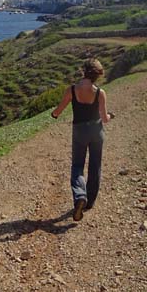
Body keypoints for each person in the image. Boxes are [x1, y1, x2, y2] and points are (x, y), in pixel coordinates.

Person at [51, 58, 113, 221]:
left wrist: (54, 114)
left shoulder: (71, 90)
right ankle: (89, 202)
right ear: (97, 75)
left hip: (79, 131)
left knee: (77, 165)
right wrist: (110, 116)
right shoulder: (100, 93)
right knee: (95, 165)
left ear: (83, 71)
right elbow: (104, 118)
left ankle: (80, 196)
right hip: (96, 131)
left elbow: (58, 110)